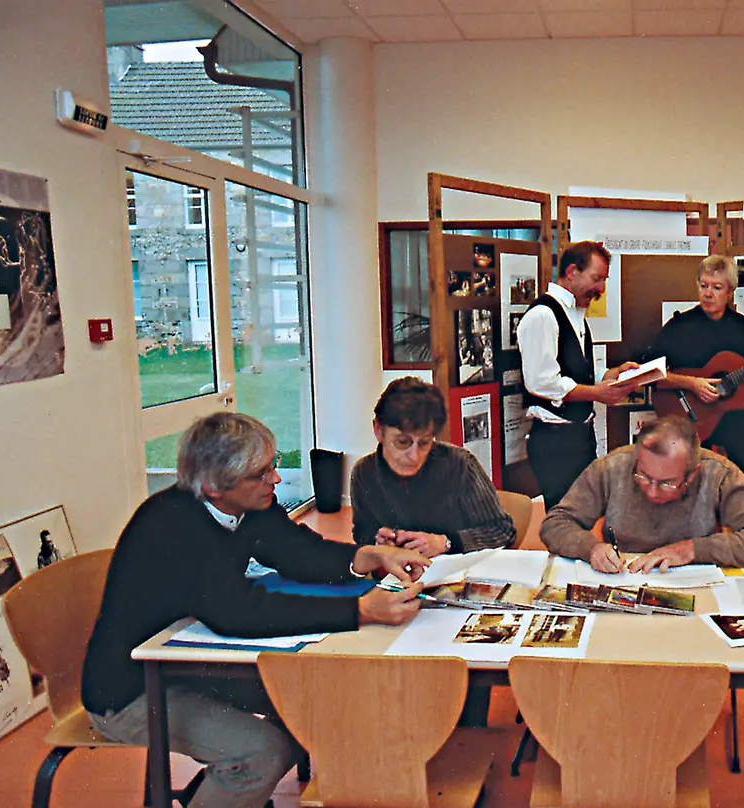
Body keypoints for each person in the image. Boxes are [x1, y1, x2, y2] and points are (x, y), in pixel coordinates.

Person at [82, 412, 428, 808]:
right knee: (261, 753)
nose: (275, 480)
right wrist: (359, 610)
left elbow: (297, 552)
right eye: (260, 473)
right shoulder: (171, 526)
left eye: (272, 466)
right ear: (213, 486)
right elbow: (238, 613)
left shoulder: (248, 503)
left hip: (188, 666)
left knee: (316, 698)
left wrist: (365, 556)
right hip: (130, 692)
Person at [541, 415, 744, 573]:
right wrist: (590, 548)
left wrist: (692, 550)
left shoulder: (720, 474)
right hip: (625, 578)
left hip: (696, 580)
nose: (651, 490)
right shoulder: (613, 467)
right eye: (644, 476)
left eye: (667, 483)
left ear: (693, 474)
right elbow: (555, 524)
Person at [649, 255, 744, 483]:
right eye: (704, 286)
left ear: (730, 292)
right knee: (692, 486)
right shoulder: (679, 327)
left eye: (716, 287)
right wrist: (691, 383)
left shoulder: (743, 328)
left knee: (743, 484)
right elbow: (649, 373)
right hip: (690, 419)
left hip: (736, 423)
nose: (708, 293)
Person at [516, 240, 639, 509]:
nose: (601, 289)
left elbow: (576, 370)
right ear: (572, 272)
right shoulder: (543, 316)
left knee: (586, 517)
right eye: (597, 279)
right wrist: (597, 393)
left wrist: (611, 375)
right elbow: (541, 382)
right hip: (555, 443)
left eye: (604, 280)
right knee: (565, 524)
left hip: (580, 437)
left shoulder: (576, 314)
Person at [350, 377, 516, 554]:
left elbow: (502, 531)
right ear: (378, 430)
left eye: (424, 443)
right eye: (402, 442)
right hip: (397, 577)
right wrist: (376, 540)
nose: (414, 456)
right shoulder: (363, 473)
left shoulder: (460, 465)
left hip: (455, 574)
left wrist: (447, 542)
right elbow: (361, 532)